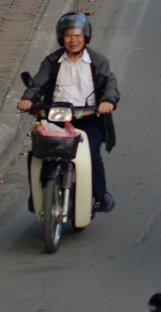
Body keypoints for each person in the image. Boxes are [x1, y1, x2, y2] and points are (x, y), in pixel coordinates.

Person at [18, 12, 119, 214]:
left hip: (88, 118)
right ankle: (36, 196)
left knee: (91, 154)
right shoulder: (52, 61)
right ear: (61, 37)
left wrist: (107, 101)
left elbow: (111, 84)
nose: (73, 40)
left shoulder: (98, 61)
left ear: (86, 36)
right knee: (37, 154)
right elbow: (38, 84)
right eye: (68, 36)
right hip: (56, 118)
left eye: (77, 36)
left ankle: (101, 195)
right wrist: (28, 98)